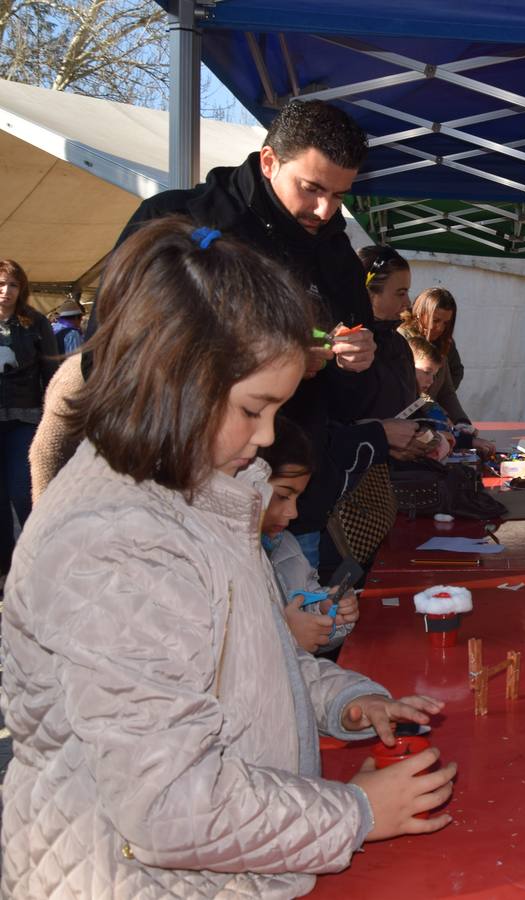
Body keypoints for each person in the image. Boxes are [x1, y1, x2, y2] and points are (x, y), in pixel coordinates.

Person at [1, 219, 457, 898]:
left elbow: (249, 667)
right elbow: (170, 806)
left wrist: (346, 702)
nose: (268, 435)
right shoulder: (119, 546)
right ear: (175, 381)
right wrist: (355, 813)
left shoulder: (200, 494)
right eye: (254, 408)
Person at [29, 100, 425, 570]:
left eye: (339, 196)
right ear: (269, 161)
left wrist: (354, 363)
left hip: (292, 509)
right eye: (311, 188)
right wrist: (272, 360)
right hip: (178, 504)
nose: (324, 209)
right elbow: (110, 361)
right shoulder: (178, 223)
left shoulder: (338, 259)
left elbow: (351, 404)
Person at [259, 417, 361, 654]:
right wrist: (289, 640)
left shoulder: (287, 546)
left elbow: (307, 603)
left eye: (298, 498)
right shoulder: (221, 563)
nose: (293, 513)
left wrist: (328, 611)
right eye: (283, 496)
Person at [0, 259, 57, 576]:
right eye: (1, 284)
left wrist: (54, 417)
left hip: (25, 420)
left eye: (12, 284)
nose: (5, 292)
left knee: (23, 492)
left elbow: (51, 373)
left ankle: (37, 562)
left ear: (21, 289)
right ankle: (6, 570)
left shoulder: (34, 323)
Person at [357, 245, 418, 420]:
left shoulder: (399, 343)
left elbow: (418, 402)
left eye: (407, 292)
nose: (407, 301)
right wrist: (383, 434)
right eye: (401, 293)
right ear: (369, 294)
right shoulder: (348, 347)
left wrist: (430, 428)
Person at [400, 287, 473, 428]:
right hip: (406, 423)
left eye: (446, 323)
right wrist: (439, 416)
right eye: (436, 320)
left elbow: (447, 390)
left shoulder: (443, 344)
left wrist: (462, 422)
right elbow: (416, 393)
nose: (440, 328)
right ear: (420, 314)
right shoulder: (401, 340)